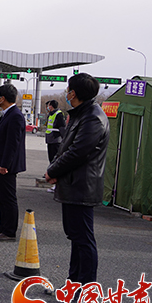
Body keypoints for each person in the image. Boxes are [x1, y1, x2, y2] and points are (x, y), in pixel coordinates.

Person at [46, 73, 109, 291]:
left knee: (83, 240)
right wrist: (54, 169)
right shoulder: (81, 114)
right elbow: (65, 147)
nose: (66, 92)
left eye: (69, 89)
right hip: (73, 184)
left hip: (83, 187)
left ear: (75, 93)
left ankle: (86, 290)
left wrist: (52, 171)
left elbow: (77, 152)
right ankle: (73, 284)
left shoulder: (93, 117)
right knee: (75, 238)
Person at [0, 83, 26, 241]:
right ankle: (2, 227)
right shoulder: (7, 114)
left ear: (3, 98)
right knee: (1, 197)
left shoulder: (15, 115)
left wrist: (5, 164)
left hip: (6, 166)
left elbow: (12, 144)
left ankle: (9, 231)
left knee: (8, 198)